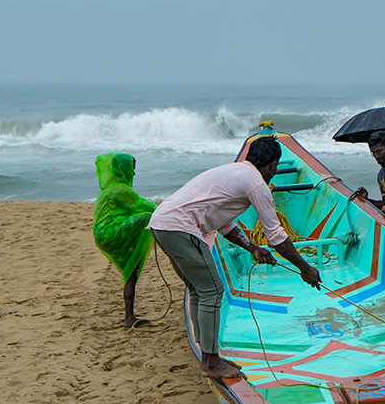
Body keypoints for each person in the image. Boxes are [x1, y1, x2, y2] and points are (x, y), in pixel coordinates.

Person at [148, 137, 322, 378]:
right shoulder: (256, 184)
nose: (276, 170)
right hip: (180, 226)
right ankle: (210, 362)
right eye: (277, 165)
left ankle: (206, 349)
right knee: (213, 291)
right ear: (272, 164)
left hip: (161, 223)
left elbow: (225, 224)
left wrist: (252, 248)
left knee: (200, 289)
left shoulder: (233, 172)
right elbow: (276, 236)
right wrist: (305, 267)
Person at [92, 152, 158, 328]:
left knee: (132, 270)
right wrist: (170, 211)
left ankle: (129, 317)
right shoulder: (120, 190)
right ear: (123, 169)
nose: (134, 174)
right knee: (147, 217)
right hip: (109, 232)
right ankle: (129, 317)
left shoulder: (109, 188)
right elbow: (143, 205)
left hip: (105, 233)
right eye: (132, 169)